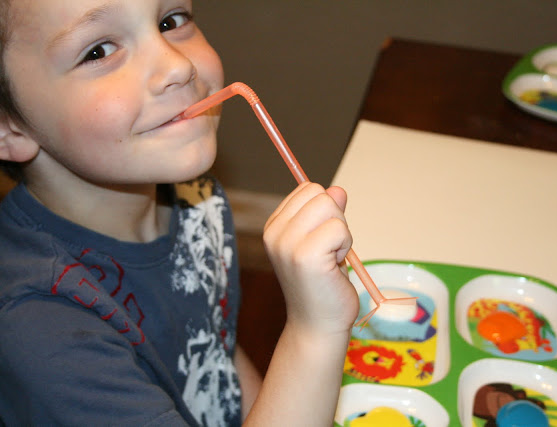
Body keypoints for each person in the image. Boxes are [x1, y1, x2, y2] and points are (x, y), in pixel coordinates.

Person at [0, 0, 359, 426]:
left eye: (171, 21)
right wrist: (314, 333)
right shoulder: (43, 327)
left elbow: (214, 348)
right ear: (8, 127)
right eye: (98, 51)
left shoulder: (195, 197)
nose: (178, 66)